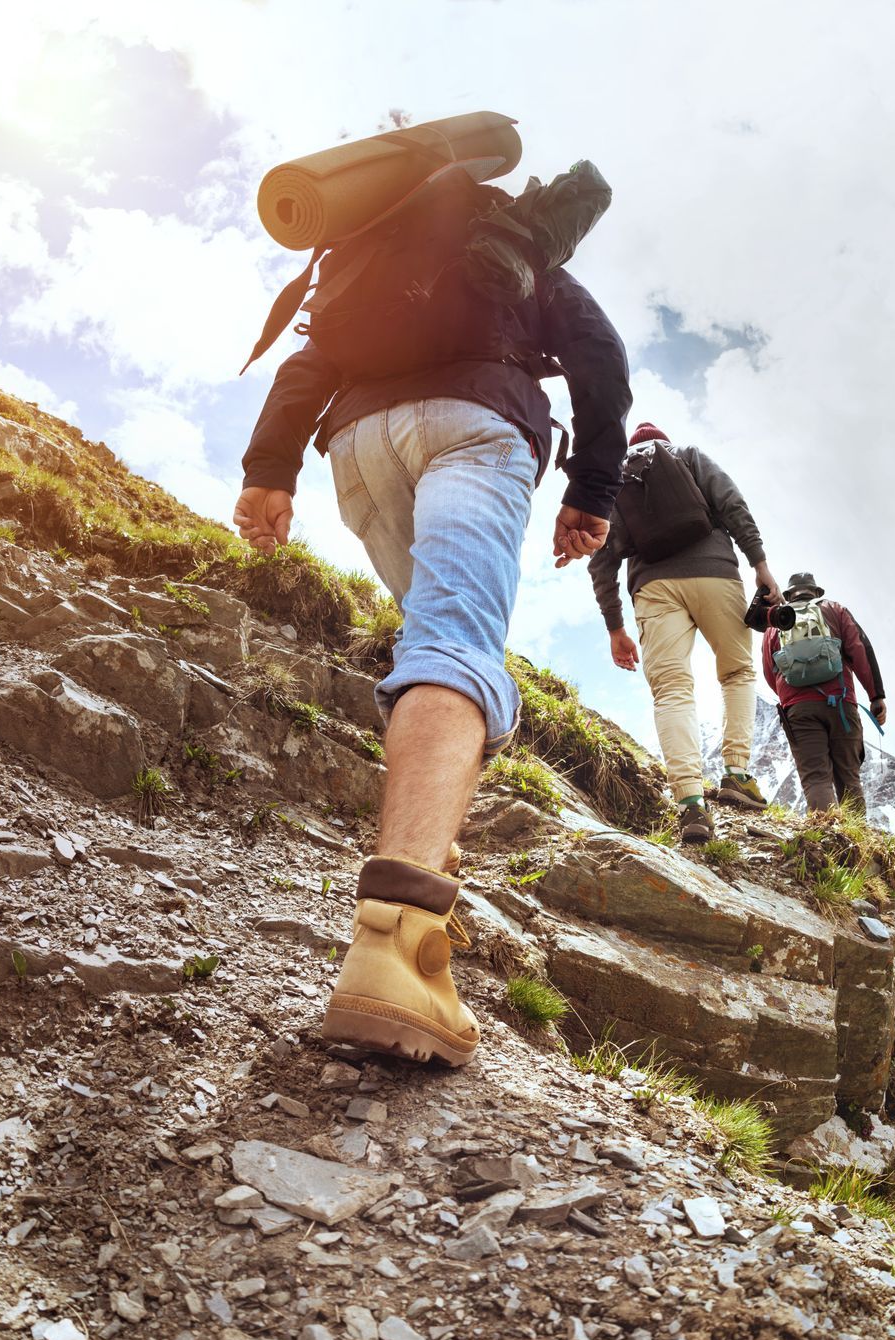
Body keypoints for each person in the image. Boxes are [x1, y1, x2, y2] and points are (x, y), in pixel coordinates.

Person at [234, 231, 630, 1070]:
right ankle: (398, 944)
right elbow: (599, 353)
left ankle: (429, 861)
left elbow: (309, 363)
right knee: (454, 644)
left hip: (358, 444)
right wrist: (590, 490)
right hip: (476, 422)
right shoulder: (518, 243)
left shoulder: (364, 254)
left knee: (430, 633)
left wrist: (269, 468)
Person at [587, 424, 779, 845]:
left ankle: (691, 803)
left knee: (672, 691)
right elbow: (732, 503)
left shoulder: (615, 480)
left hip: (653, 591)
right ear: (662, 440)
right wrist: (759, 563)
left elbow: (602, 562)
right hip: (716, 574)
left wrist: (615, 627)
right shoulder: (688, 454)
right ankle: (737, 774)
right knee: (736, 674)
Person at [762, 572, 887, 813]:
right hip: (841, 706)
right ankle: (856, 845)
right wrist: (876, 696)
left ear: (788, 596)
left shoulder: (775, 622)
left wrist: (792, 698)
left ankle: (826, 843)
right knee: (849, 780)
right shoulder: (835, 610)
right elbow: (861, 651)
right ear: (817, 593)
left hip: (799, 711)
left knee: (816, 779)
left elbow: (770, 672)